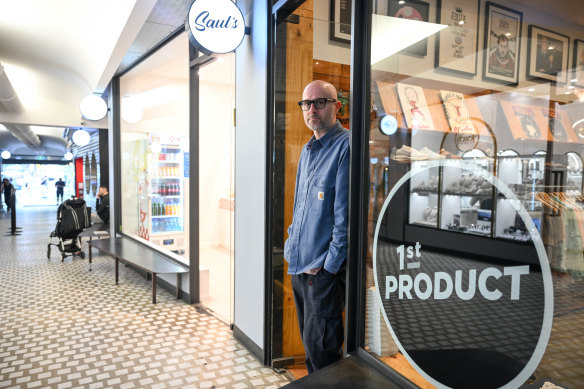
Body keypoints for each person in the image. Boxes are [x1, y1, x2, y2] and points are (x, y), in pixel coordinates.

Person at [284, 80, 349, 374]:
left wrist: (327, 270)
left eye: (320, 102)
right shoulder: (308, 149)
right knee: (311, 351)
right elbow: (300, 208)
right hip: (299, 267)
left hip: (321, 274)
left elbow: (344, 220)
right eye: (306, 104)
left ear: (337, 106)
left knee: (325, 356)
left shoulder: (346, 147)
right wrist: (291, 245)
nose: (312, 109)